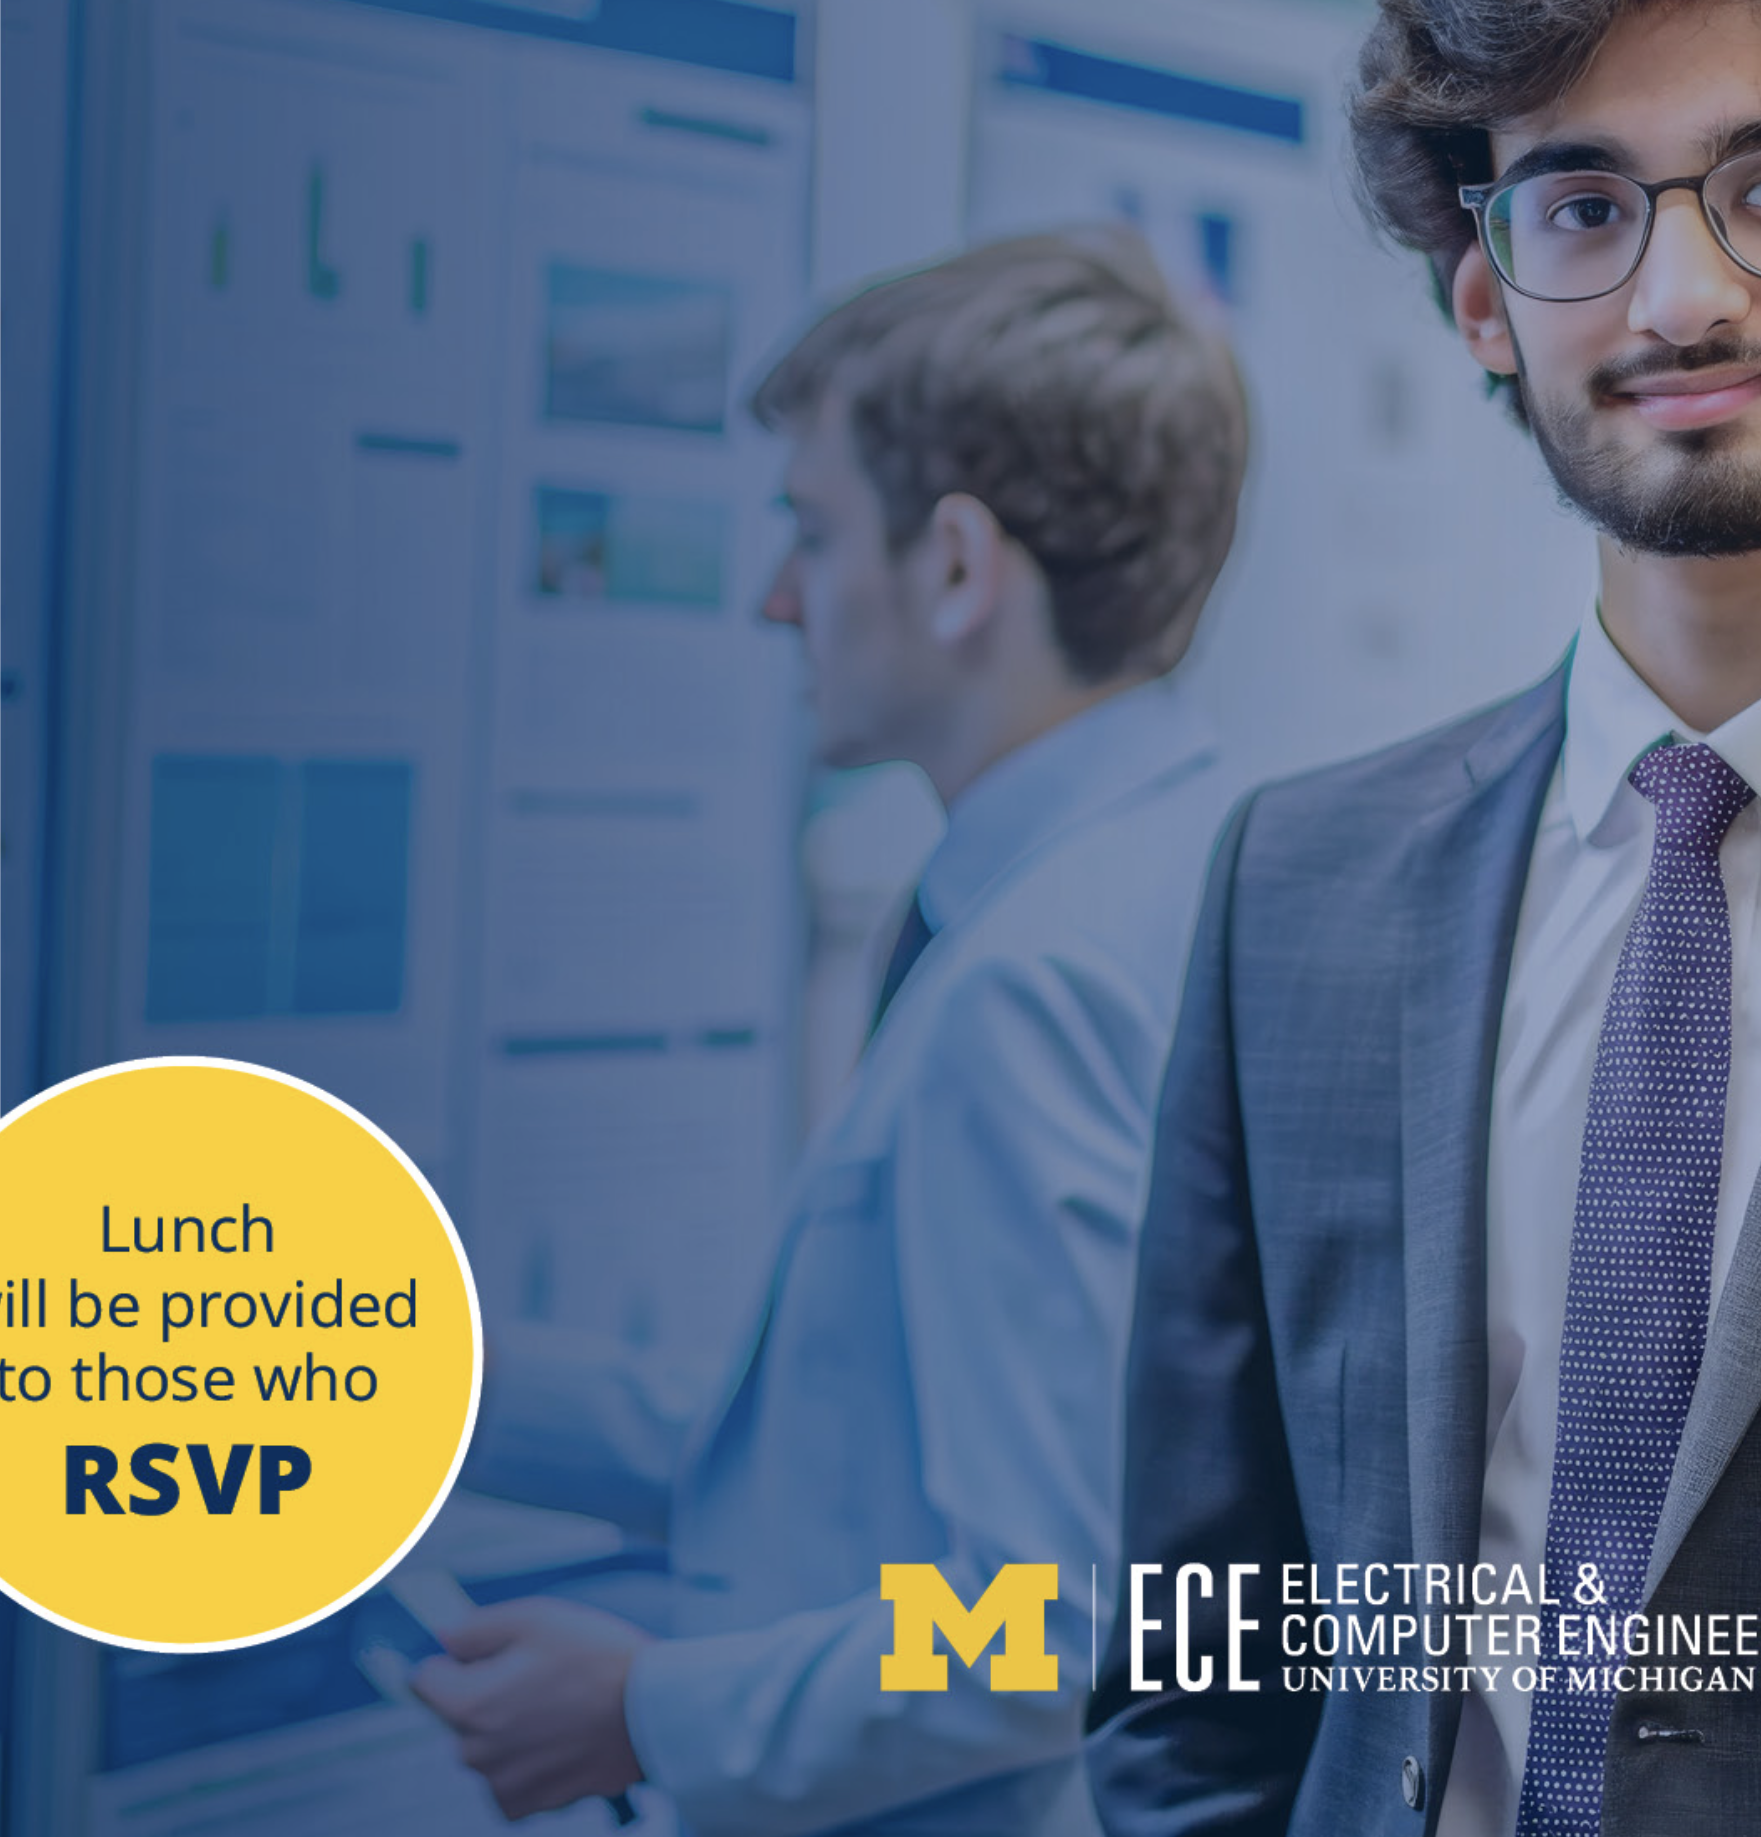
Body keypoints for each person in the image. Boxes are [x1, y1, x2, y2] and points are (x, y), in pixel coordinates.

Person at [1089, 0, 1761, 1835]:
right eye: (1580, 204)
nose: (1675, 293)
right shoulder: (1297, 900)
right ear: (1477, 294)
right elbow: (1200, 1650)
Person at [414, 224, 1249, 1831]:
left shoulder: (1035, 982)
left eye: (811, 531)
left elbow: (1050, 1617)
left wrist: (646, 1707)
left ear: (953, 566)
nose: (778, 600)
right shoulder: (1196, 860)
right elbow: (831, 1444)